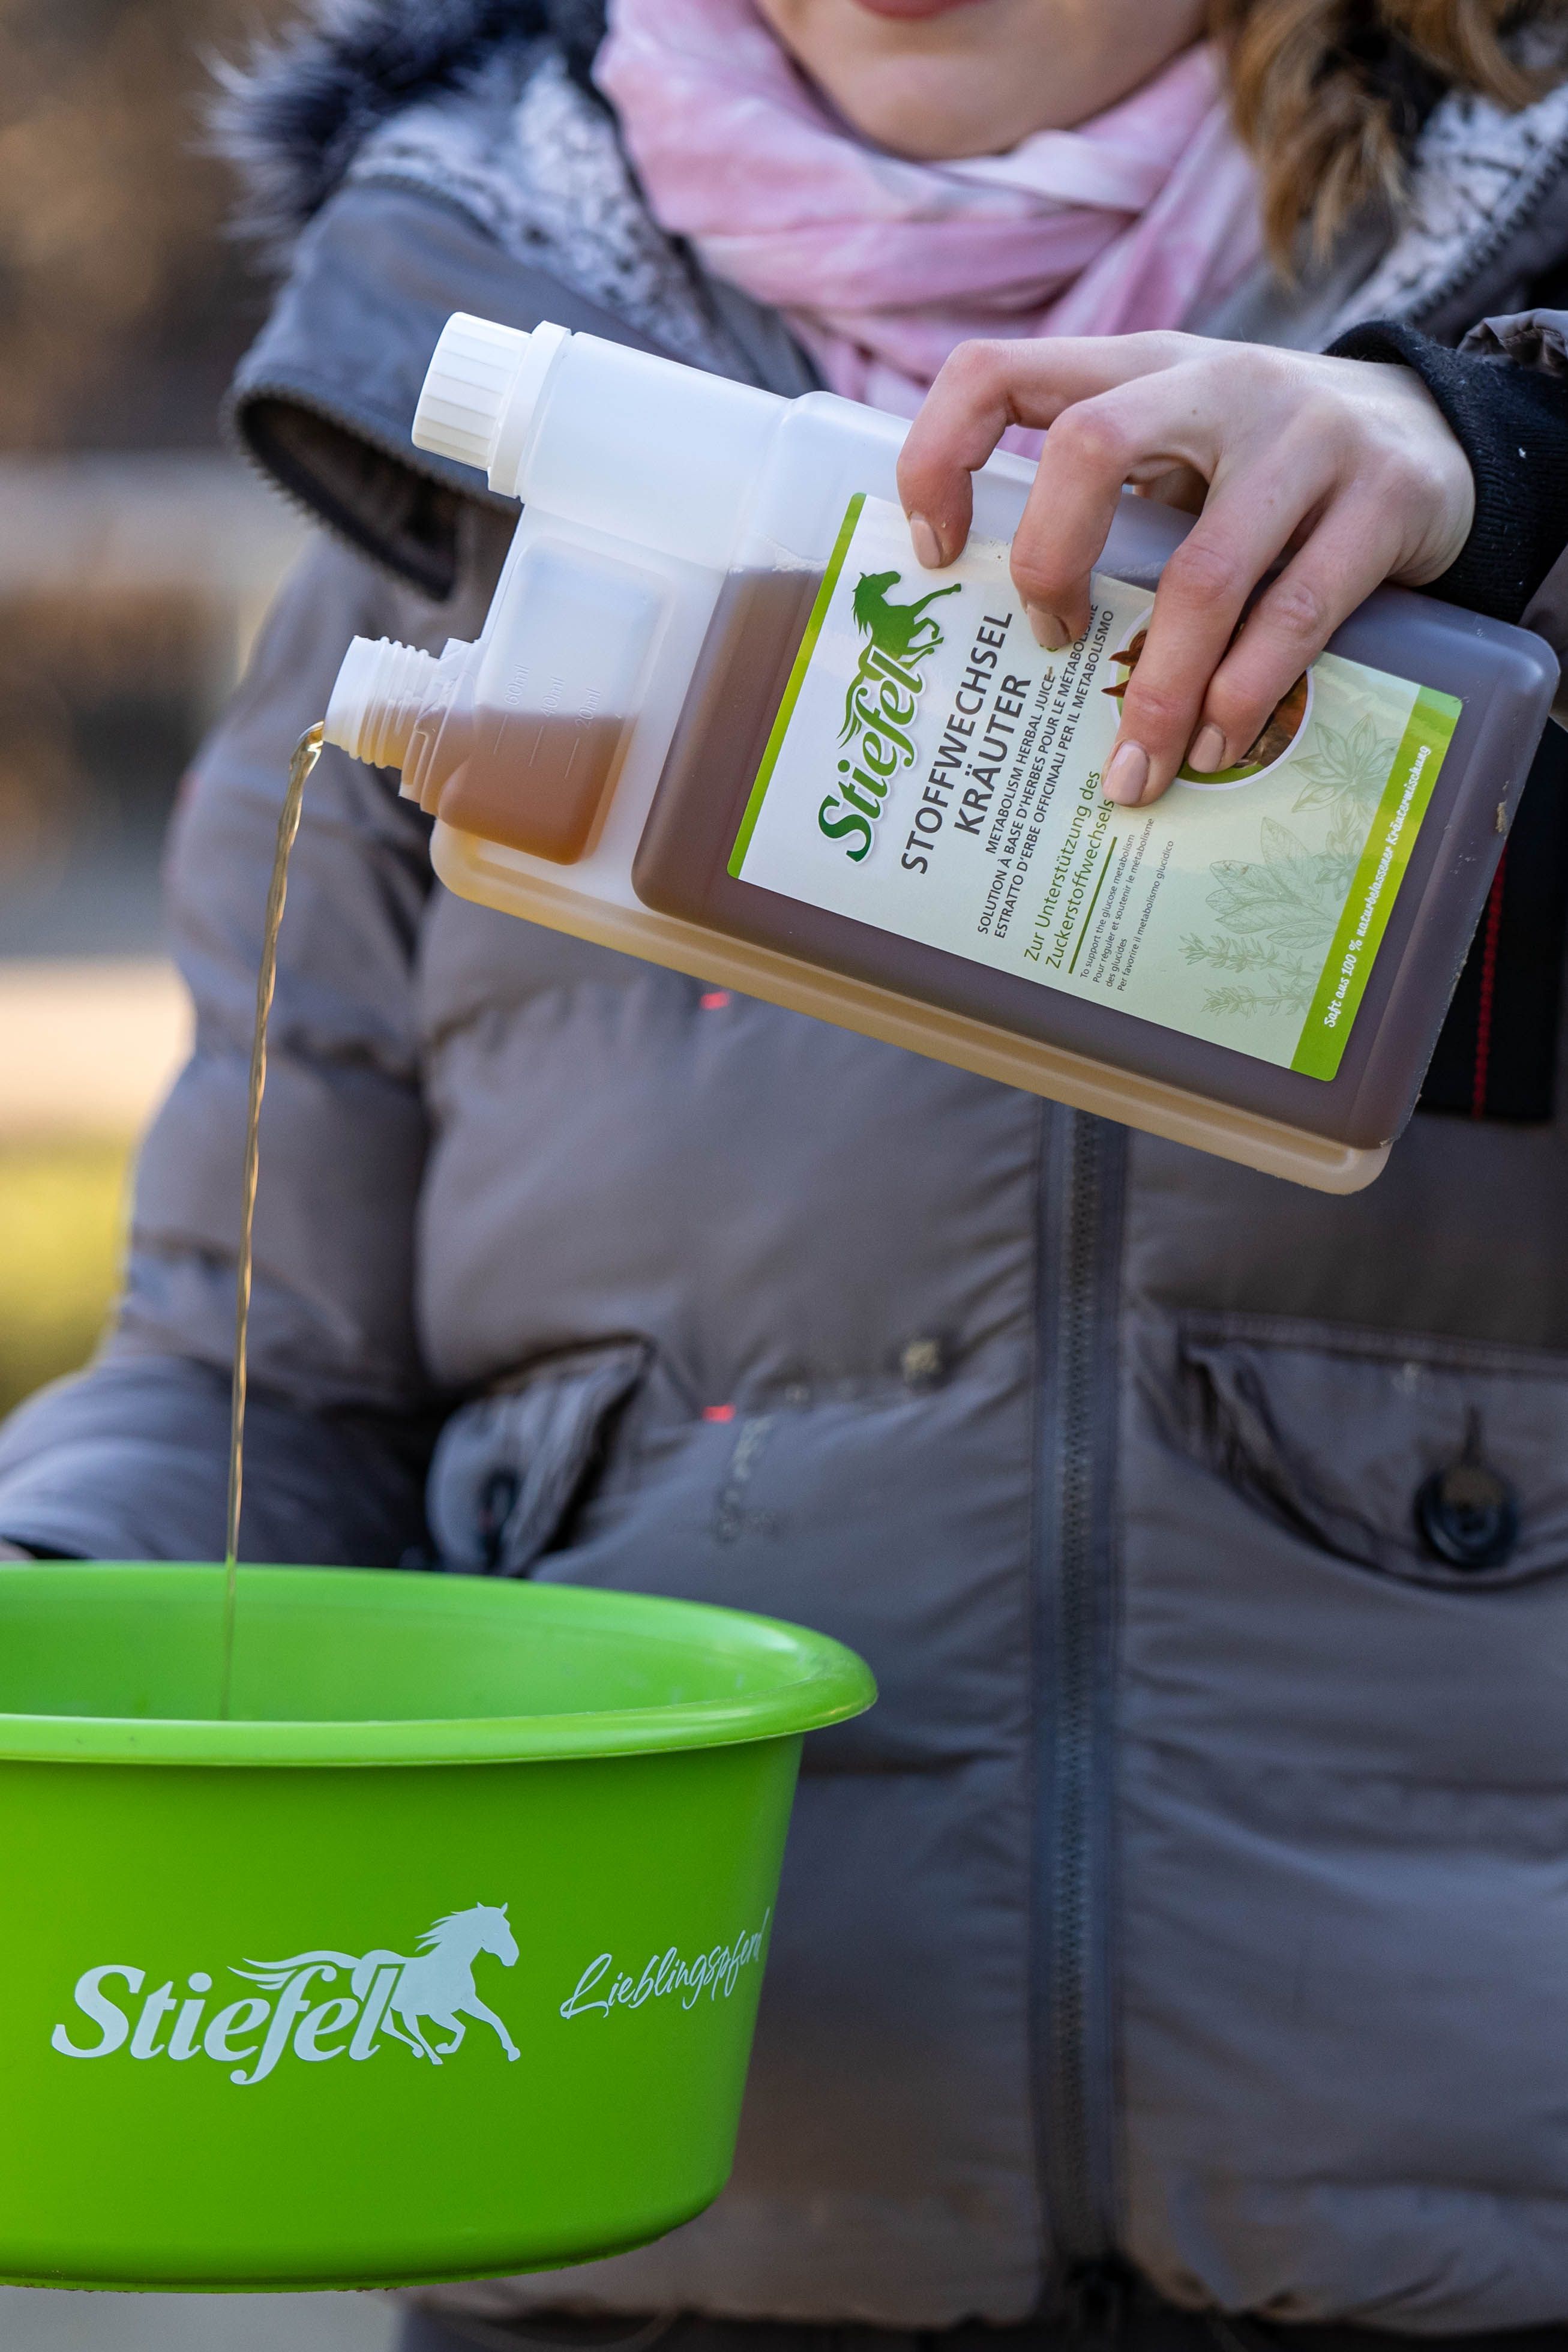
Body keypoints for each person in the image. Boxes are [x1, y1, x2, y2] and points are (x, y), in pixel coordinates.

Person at [8, 1, 1568, 2345]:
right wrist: (48, 1594)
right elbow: (257, 1392)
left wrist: (1507, 432)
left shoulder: (1504, 407)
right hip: (652, 2212)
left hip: (1472, 2214)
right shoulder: (430, 540)